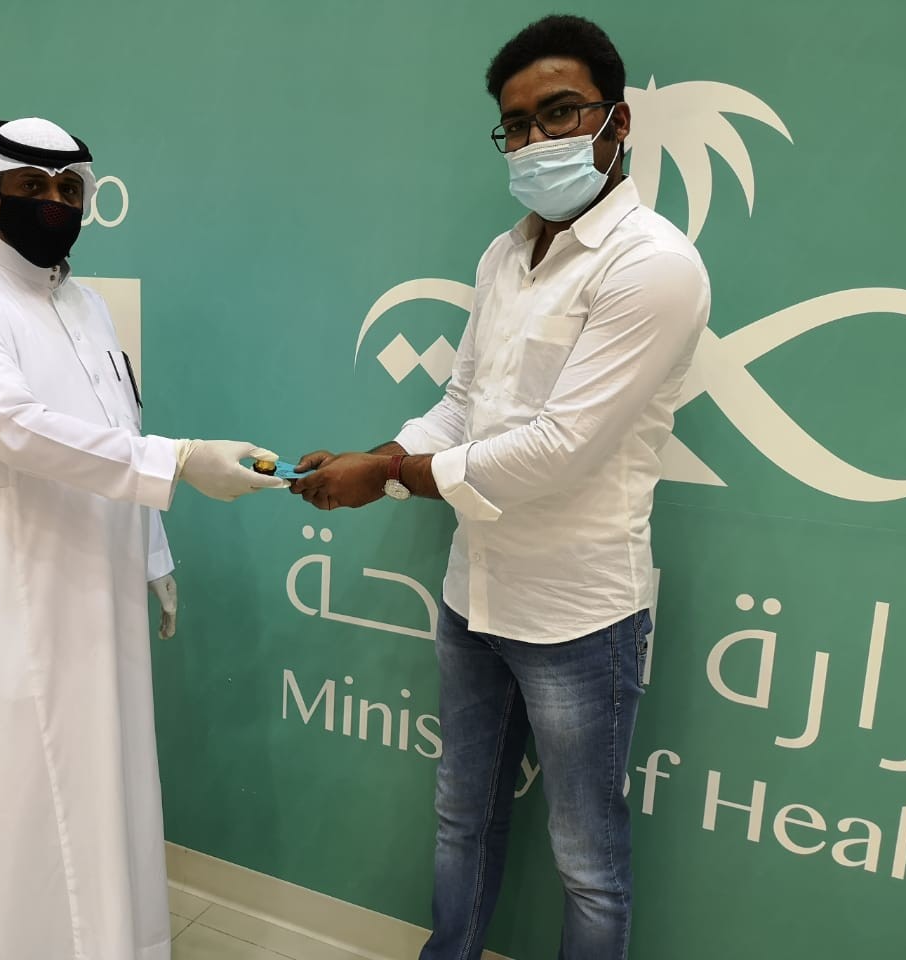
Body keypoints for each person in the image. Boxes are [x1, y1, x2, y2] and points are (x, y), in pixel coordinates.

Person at [291, 16, 710, 959]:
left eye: (559, 113)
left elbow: (557, 450)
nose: (535, 140)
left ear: (618, 121)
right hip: (474, 592)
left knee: (586, 861)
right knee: (461, 818)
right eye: (516, 125)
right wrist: (375, 458)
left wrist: (386, 477)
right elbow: (463, 406)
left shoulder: (653, 266)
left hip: (579, 614)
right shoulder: (503, 255)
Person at [0, 117, 284, 960]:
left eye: (69, 188)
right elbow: (16, 428)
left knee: (111, 788)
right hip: (10, 597)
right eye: (32, 186)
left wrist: (154, 555)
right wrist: (182, 462)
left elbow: (115, 427)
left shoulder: (87, 304)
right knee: (19, 801)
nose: (54, 202)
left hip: (101, 584)